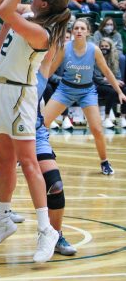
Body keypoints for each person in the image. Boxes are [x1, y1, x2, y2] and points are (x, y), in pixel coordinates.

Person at [0, 0, 71, 262]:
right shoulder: (29, 14)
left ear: (43, 2)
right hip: (2, 91)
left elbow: (5, 13)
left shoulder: (42, 33)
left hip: (22, 94)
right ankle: (3, 219)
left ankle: (47, 231)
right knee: (6, 161)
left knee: (29, 162)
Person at [0, 38, 76, 256]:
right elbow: (4, 32)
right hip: (0, 129)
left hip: (33, 131)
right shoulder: (1, 67)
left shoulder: (39, 69)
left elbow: (52, 38)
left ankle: (55, 235)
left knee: (55, 184)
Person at [44, 18, 126, 175]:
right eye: (76, 28)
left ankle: (105, 162)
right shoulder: (64, 48)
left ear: (88, 32)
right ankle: (30, 156)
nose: (79, 31)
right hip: (65, 90)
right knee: (42, 123)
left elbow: (108, 72)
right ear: (72, 31)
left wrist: (120, 92)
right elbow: (50, 70)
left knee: (97, 129)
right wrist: (35, 89)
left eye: (82, 28)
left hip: (86, 92)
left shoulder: (94, 49)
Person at [94, 38, 126, 128]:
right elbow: (97, 78)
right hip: (99, 85)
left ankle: (123, 118)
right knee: (111, 91)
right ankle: (106, 118)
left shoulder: (114, 59)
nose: (104, 48)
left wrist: (112, 81)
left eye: (106, 46)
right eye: (102, 46)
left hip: (112, 84)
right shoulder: (95, 59)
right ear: (99, 48)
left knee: (125, 90)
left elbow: (119, 76)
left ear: (110, 47)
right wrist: (112, 81)